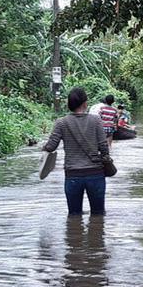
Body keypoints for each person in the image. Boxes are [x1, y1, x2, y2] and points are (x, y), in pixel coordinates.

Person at [43, 87, 109, 215]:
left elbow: (51, 147)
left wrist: (43, 148)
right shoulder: (96, 121)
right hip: (95, 173)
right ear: (85, 103)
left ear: (69, 104)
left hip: (73, 175)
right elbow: (103, 146)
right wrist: (105, 158)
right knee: (98, 215)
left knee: (74, 215)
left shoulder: (61, 123)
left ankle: (73, 235)